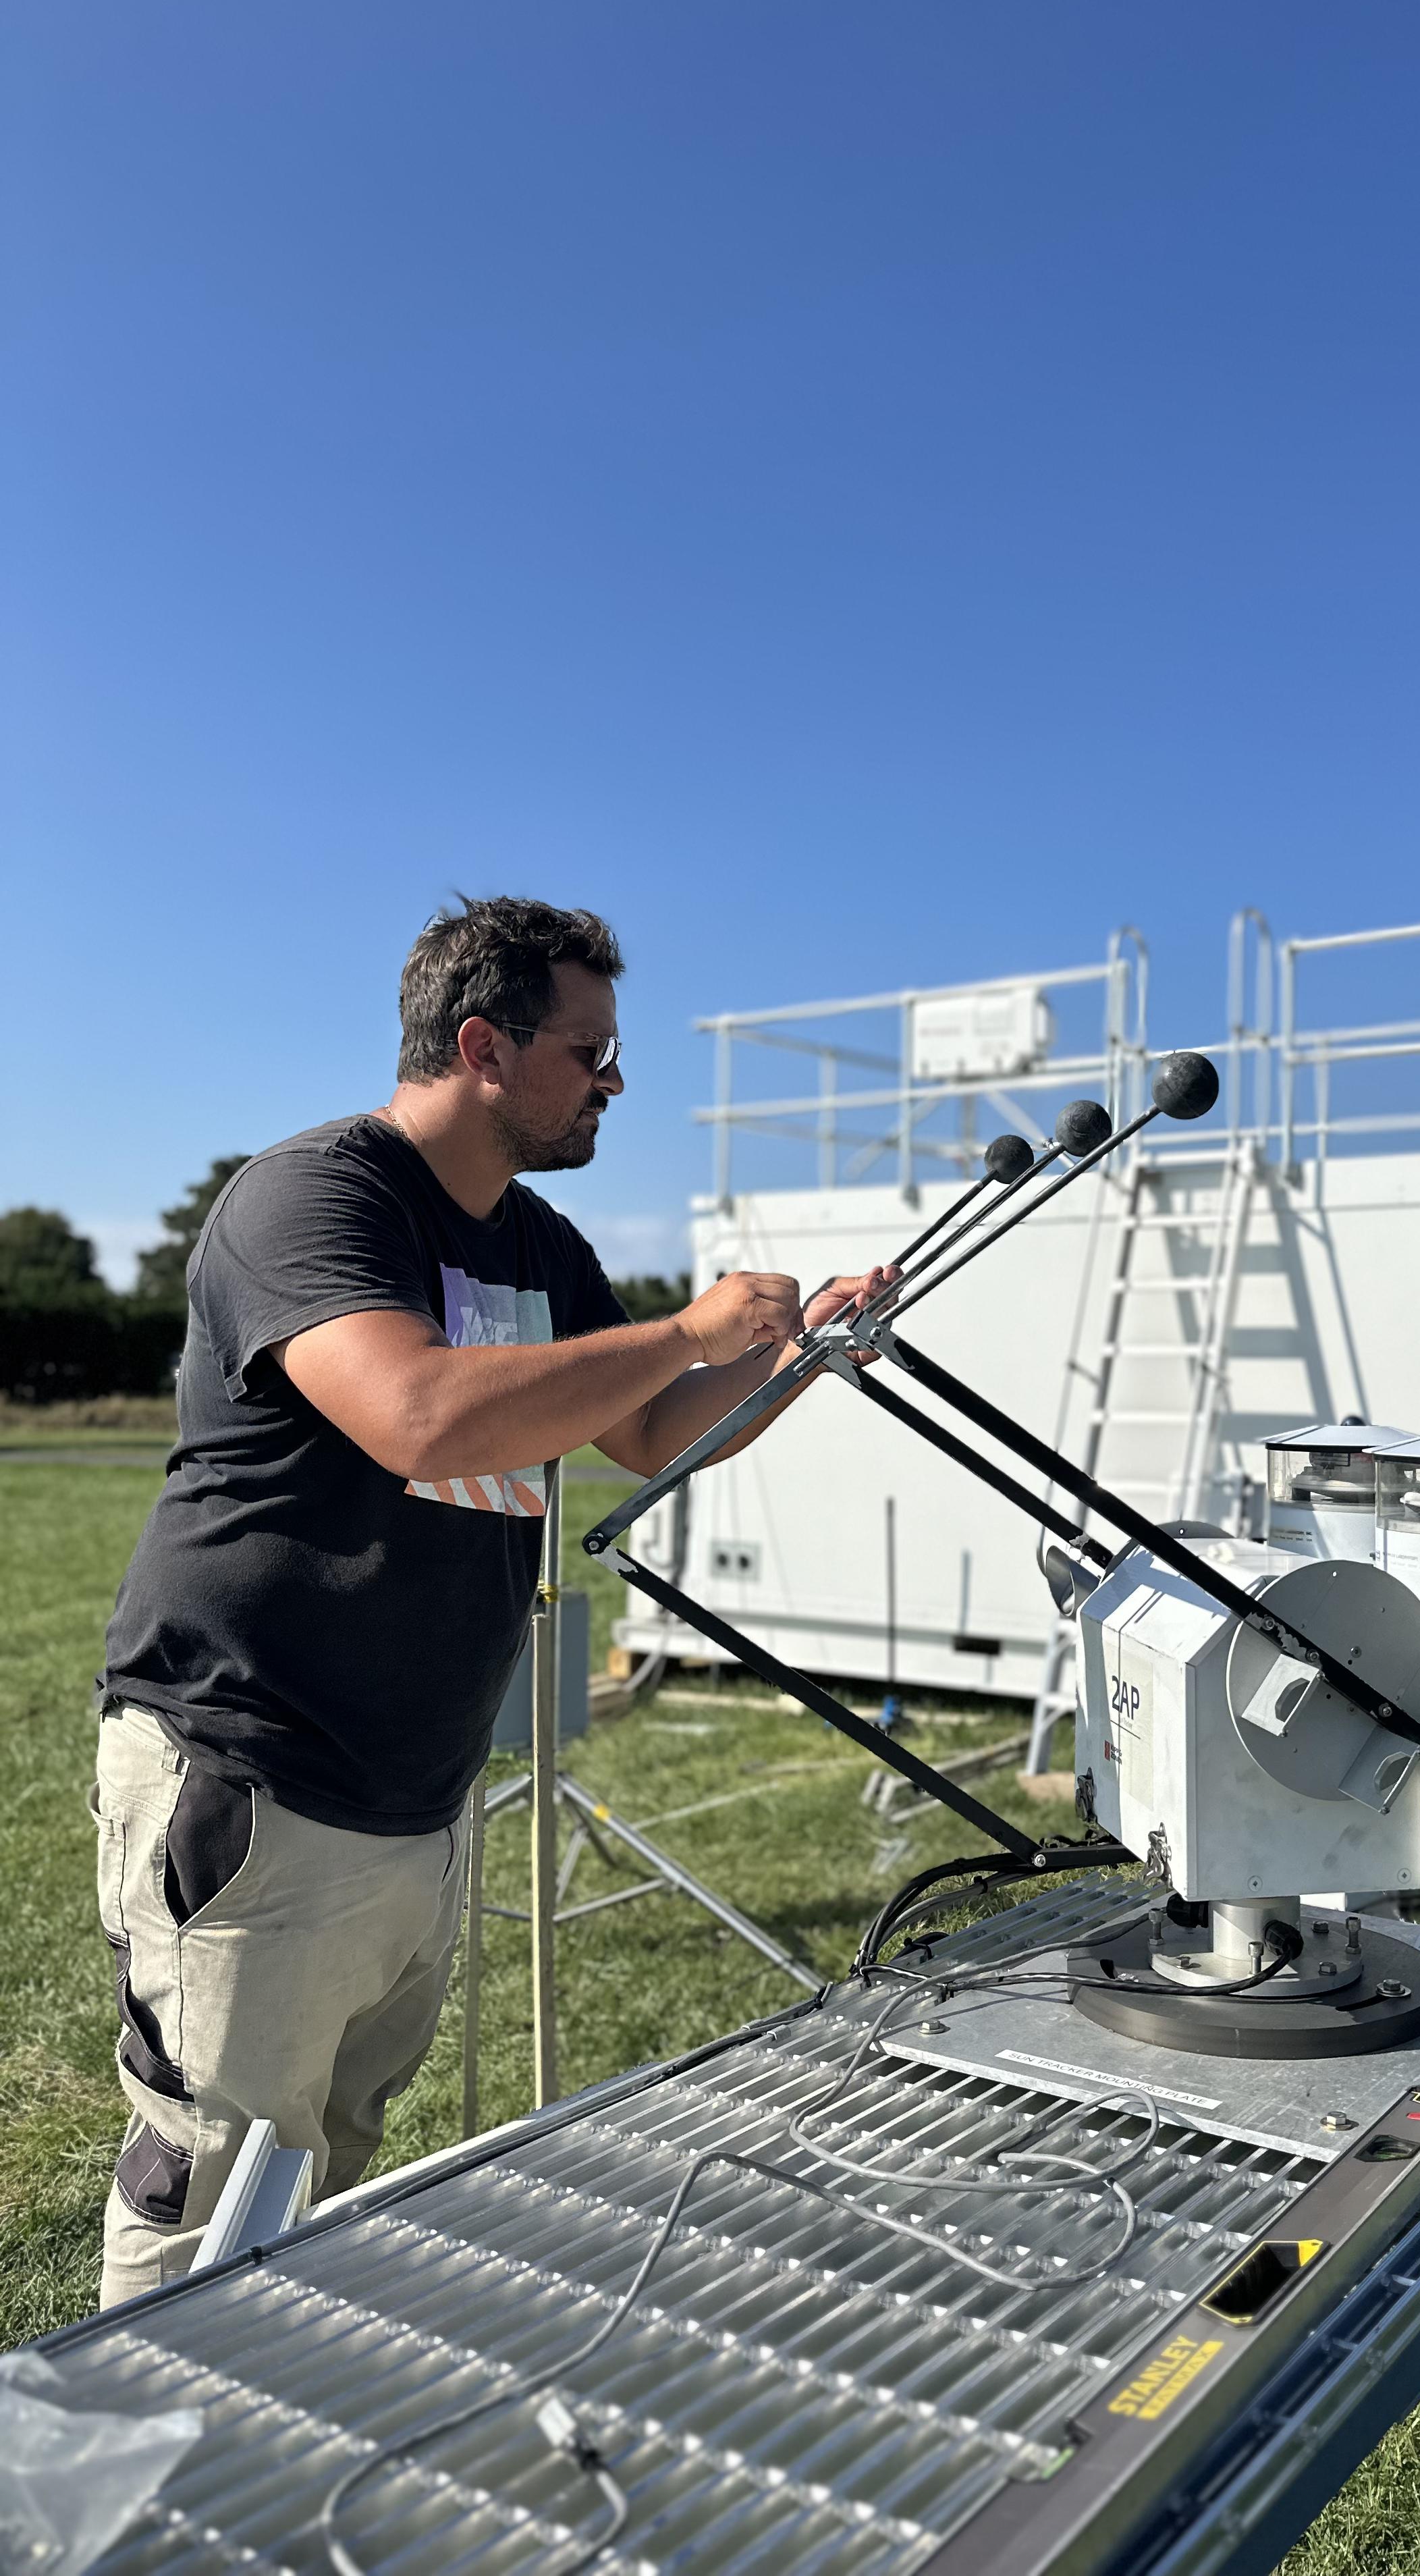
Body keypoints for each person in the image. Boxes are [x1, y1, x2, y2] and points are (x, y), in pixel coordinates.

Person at [93, 896, 888, 2305]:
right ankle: (143, 2505)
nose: (616, 1081)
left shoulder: (538, 1245)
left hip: (412, 1793)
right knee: (210, 2188)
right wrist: (690, 1328)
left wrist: (803, 1355)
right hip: (252, 1773)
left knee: (325, 2179)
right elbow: (413, 1414)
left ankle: (273, 2474)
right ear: (484, 1046)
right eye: (592, 1050)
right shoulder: (313, 1198)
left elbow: (650, 1433)